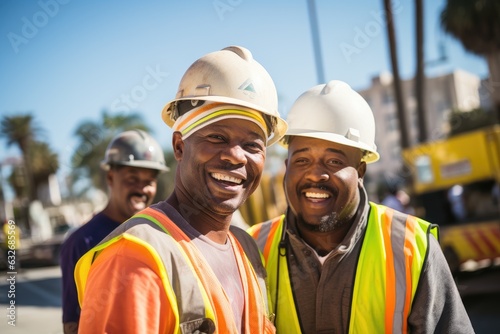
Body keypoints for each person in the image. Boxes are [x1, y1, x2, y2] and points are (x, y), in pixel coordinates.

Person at [75, 46, 287, 333]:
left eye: (252, 145)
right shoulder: (135, 257)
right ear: (179, 146)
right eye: (216, 137)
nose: (236, 156)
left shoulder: (246, 247)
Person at [248, 80, 474, 333]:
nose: (315, 175)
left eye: (334, 160)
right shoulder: (252, 248)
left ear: (360, 171)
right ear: (287, 168)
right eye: (302, 159)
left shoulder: (411, 246)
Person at [60, 129, 169, 334]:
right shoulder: (81, 242)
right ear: (111, 177)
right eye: (132, 178)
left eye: (149, 181)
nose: (142, 189)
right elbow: (73, 323)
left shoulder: (160, 234)